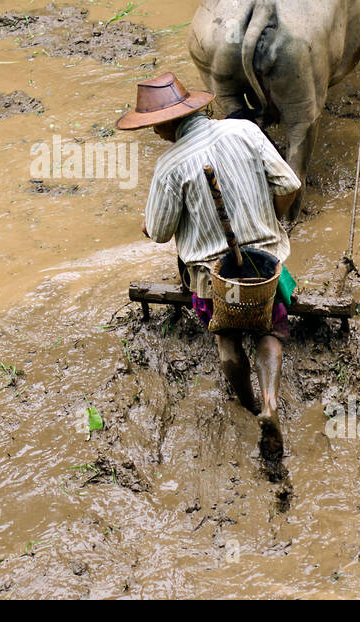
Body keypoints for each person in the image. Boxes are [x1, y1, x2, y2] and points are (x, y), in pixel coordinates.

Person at [117, 72, 301, 459]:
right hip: (264, 268)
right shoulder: (245, 132)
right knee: (269, 330)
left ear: (167, 123)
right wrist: (273, 221)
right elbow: (289, 186)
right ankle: (270, 403)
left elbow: (162, 231)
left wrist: (149, 225)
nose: (154, 135)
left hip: (213, 279)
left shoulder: (169, 166)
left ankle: (248, 407)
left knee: (228, 337)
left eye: (153, 127)